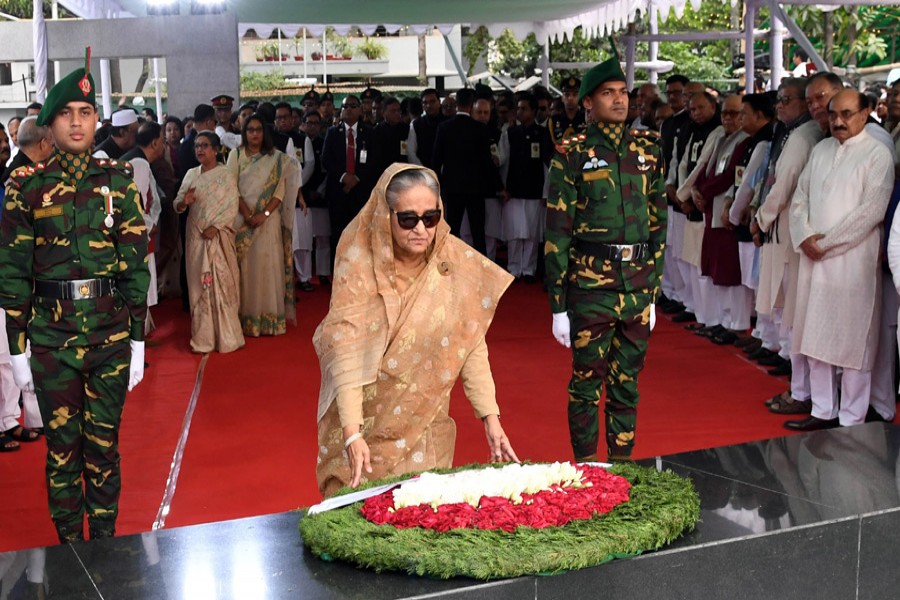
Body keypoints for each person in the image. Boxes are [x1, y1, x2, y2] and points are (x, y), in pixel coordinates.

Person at [0, 51, 149, 542]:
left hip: (109, 339)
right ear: (50, 124)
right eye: (66, 113)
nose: (77, 122)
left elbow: (134, 265)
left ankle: (104, 545)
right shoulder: (27, 187)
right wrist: (16, 348)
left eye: (85, 112)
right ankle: (70, 553)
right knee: (62, 453)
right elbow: (14, 273)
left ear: (96, 119)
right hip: (51, 342)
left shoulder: (117, 182)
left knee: (104, 449)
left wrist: (138, 339)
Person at [313, 164, 519, 496]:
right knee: (358, 514)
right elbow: (346, 353)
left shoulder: (451, 262)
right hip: (365, 423)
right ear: (386, 215)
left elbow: (470, 343)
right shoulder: (359, 263)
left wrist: (490, 418)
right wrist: (352, 433)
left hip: (424, 420)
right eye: (408, 219)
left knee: (423, 512)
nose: (421, 229)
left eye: (431, 217)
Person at [545, 50, 666, 462]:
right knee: (585, 386)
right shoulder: (572, 152)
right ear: (588, 102)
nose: (619, 100)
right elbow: (557, 233)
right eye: (608, 93)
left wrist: (653, 291)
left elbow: (658, 222)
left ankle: (622, 469)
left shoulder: (649, 149)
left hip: (637, 286)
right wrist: (558, 304)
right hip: (591, 288)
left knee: (626, 385)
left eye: (623, 92)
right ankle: (587, 471)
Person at [787, 90, 894, 430]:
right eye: (833, 114)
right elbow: (800, 197)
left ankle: (851, 419)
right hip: (813, 258)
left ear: (865, 114)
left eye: (847, 114)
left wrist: (826, 244)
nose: (838, 121)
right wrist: (804, 236)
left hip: (852, 263)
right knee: (813, 337)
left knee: (853, 343)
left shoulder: (878, 154)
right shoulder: (821, 150)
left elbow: (871, 212)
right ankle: (822, 411)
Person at [227, 115, 300, 337]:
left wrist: (264, 214)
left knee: (268, 266)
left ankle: (269, 320)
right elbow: (231, 188)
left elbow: (280, 191)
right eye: (250, 130)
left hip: (268, 222)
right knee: (246, 269)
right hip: (243, 220)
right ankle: (246, 319)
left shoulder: (277, 158)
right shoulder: (236, 155)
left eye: (258, 129)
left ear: (264, 132)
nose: (254, 134)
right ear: (244, 133)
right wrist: (248, 214)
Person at [174, 131, 244, 353]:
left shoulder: (226, 175)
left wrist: (216, 227)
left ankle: (227, 337)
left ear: (215, 150)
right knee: (200, 285)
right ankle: (203, 338)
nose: (199, 150)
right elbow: (177, 203)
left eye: (204, 145)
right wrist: (184, 203)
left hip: (219, 237)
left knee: (222, 282)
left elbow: (232, 206)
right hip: (196, 236)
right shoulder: (191, 174)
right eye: (197, 146)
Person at [432, 88, 500, 254]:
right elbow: (487, 162)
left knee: (453, 229)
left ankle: (450, 264)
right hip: (475, 188)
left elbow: (436, 161)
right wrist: (500, 186)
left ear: (456, 103)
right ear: (471, 105)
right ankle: (481, 267)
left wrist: (437, 186)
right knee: (478, 232)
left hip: (452, 187)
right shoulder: (479, 128)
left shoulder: (444, 127)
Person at [502, 93, 552, 281]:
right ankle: (514, 268)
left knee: (532, 234)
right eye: (518, 108)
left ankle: (529, 269)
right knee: (514, 233)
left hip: (534, 190)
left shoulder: (543, 134)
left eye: (524, 109)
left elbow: (547, 166)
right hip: (513, 190)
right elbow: (504, 163)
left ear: (533, 111)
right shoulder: (510, 133)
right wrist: (502, 188)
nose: (520, 112)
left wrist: (546, 192)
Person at [2, 116, 53, 185]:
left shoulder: (15, 171)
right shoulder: (22, 176)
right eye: (52, 143)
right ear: (43, 144)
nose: (53, 149)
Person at [548, 77, 586, 145]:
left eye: (575, 95)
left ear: (580, 97)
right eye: (567, 94)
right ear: (562, 98)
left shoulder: (586, 119)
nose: (570, 98)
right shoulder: (553, 121)